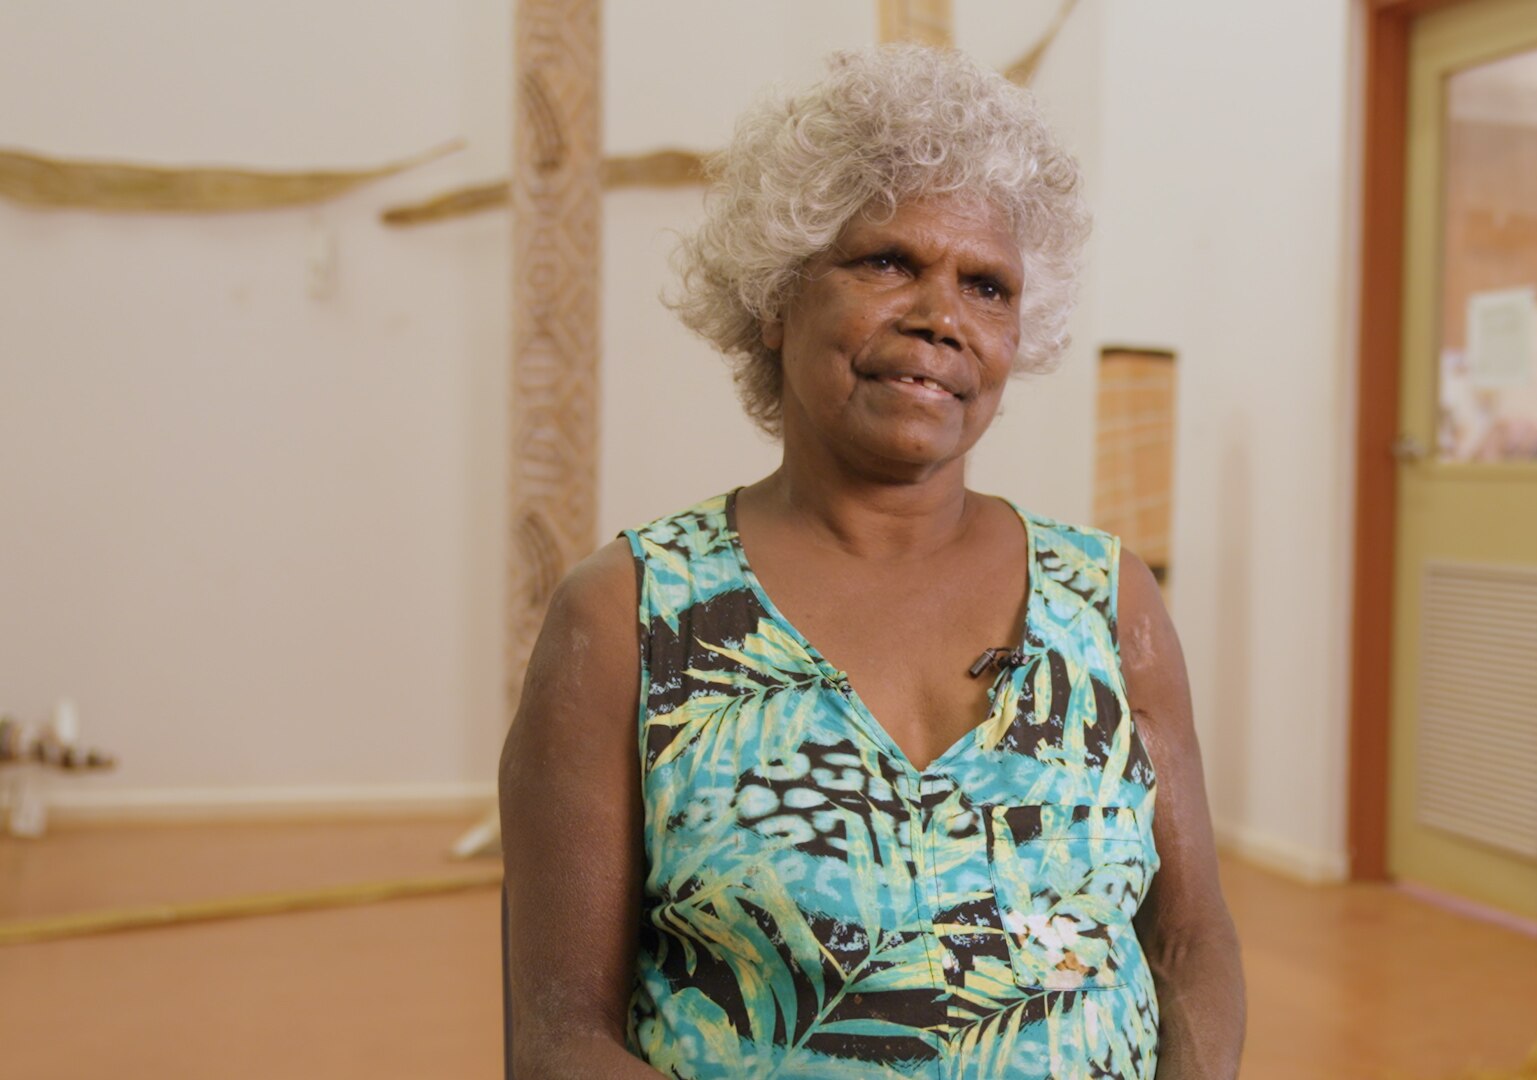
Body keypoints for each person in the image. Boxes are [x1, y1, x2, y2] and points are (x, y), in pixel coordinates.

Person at [499, 45, 1244, 1079]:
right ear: (775, 295)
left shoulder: (1108, 602)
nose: (941, 315)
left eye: (986, 285)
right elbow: (557, 1037)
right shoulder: (628, 616)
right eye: (886, 262)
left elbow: (1190, 943)